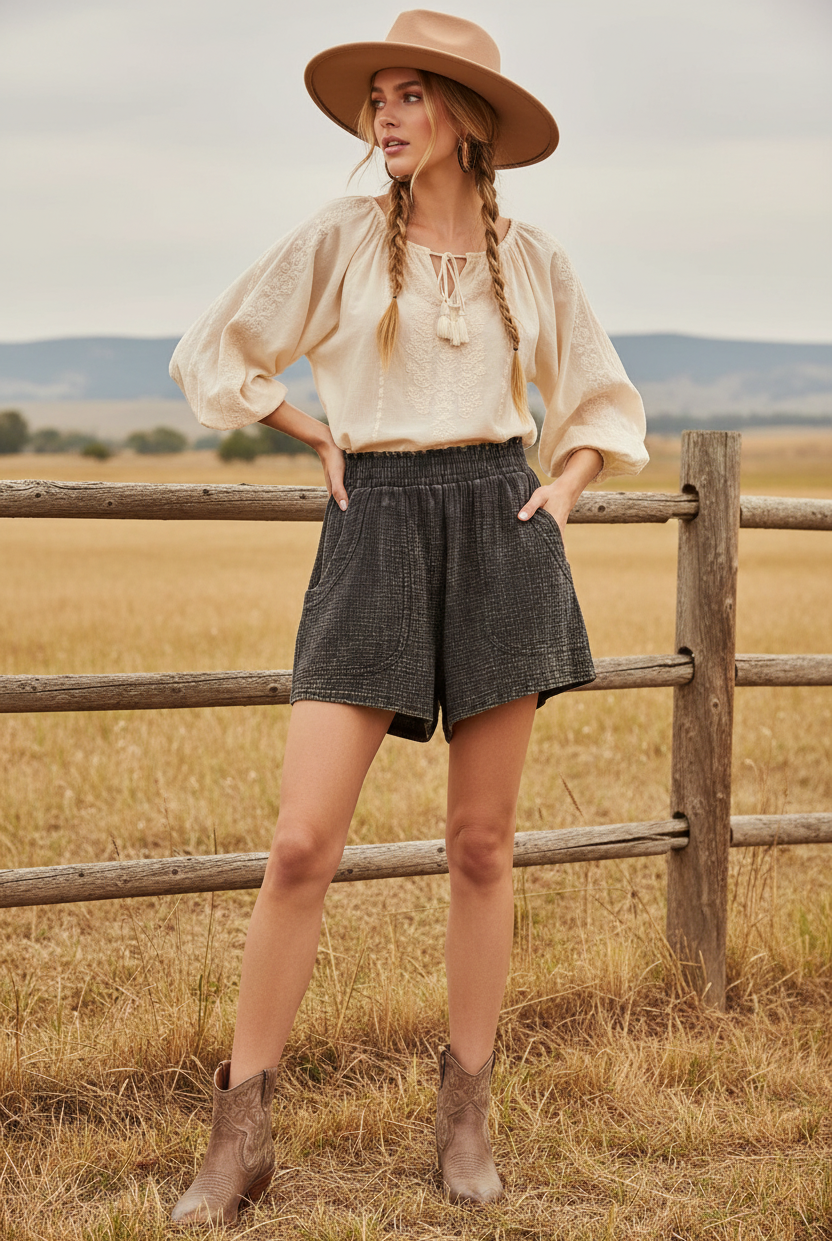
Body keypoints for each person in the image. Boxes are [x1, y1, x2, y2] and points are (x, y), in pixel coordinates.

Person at [168, 9, 648, 1225]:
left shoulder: (530, 255)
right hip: (374, 520)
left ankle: (467, 1115)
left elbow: (600, 397)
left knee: (481, 845)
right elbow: (218, 350)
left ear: (465, 119)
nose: (384, 114)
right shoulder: (339, 237)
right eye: (375, 97)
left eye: (409, 96)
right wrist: (313, 429)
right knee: (300, 843)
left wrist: (561, 488)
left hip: (500, 524)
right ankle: (242, 1130)